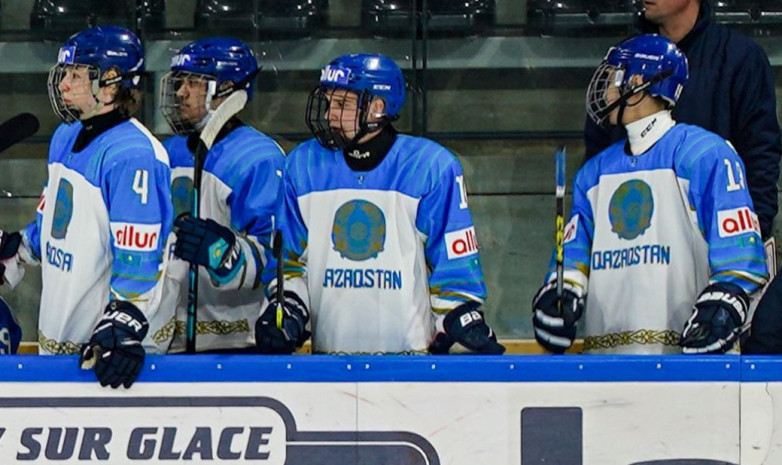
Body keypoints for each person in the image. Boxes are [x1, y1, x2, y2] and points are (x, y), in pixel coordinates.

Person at [254, 53, 505, 355]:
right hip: (327, 365)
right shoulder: (303, 166)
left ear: (377, 108)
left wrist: (459, 323)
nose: (331, 114)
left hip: (412, 363)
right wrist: (289, 309)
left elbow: (453, 268)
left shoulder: (430, 167)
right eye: (329, 102)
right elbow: (291, 263)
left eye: (342, 104)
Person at [533, 34, 768, 355]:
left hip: (688, 362)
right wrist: (561, 293)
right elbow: (573, 254)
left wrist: (726, 299)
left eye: (614, 76)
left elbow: (740, 252)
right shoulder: (594, 172)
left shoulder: (705, 154)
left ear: (640, 82)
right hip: (603, 360)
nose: (606, 89)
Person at [0, 26, 173, 387]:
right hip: (56, 341)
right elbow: (57, 220)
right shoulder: (66, 134)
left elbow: (139, 259)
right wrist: (20, 248)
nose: (63, 85)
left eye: (76, 74)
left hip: (103, 355)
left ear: (111, 83)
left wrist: (126, 321)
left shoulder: (135, 156)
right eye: (64, 74)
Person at [583, 0, 782, 241]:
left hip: (713, 240)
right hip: (633, 241)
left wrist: (750, 237)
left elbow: (760, 154)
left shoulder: (740, 58)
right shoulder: (621, 59)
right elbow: (598, 150)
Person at [158, 37, 284, 353]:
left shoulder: (258, 158)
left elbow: (279, 259)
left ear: (225, 90)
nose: (181, 92)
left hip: (235, 341)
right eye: (179, 82)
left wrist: (224, 253)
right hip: (165, 340)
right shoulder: (166, 151)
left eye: (194, 82)